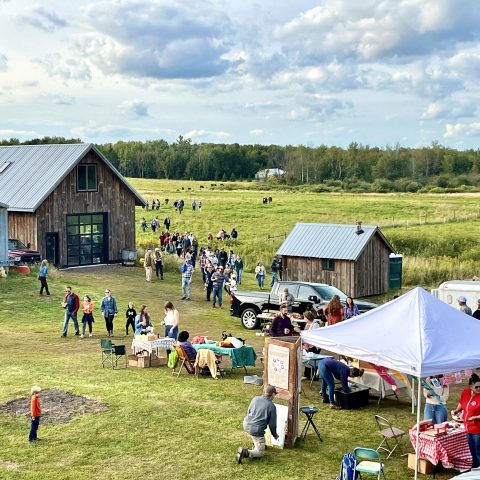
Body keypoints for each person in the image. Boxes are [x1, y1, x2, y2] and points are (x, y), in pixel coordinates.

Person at [236, 385, 278, 464]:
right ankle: (245, 452)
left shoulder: (255, 399)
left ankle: (256, 444)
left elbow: (248, 412)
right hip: (256, 430)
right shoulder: (271, 406)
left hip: (246, 424)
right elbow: (272, 425)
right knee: (260, 453)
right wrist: (275, 435)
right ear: (273, 394)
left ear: (265, 392)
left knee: (256, 438)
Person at [453, 373, 480, 468]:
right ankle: (474, 469)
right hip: (467, 428)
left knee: (478, 452)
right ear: (471, 385)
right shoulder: (466, 392)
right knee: (471, 451)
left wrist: (476, 417)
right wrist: (457, 410)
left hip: (478, 430)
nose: (478, 389)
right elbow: (462, 402)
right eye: (477, 387)